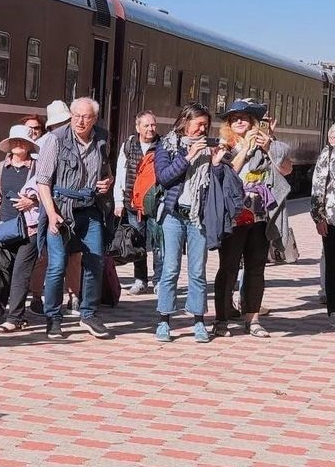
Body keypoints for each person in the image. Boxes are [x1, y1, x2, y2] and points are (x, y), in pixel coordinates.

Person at [35, 97, 114, 340]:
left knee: (94, 261)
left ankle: (88, 314)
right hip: (60, 208)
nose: (80, 121)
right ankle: (53, 318)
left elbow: (106, 169)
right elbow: (43, 182)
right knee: (57, 265)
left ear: (95, 119)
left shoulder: (102, 138)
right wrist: (51, 214)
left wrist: (108, 181)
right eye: (76, 115)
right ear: (70, 115)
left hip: (90, 208)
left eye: (86, 117)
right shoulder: (55, 139)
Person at [152, 103, 226, 343]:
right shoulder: (167, 145)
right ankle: (164, 320)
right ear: (185, 122)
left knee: (197, 271)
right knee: (170, 269)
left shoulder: (210, 147)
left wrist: (216, 165)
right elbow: (164, 177)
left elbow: (218, 185)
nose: (202, 129)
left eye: (206, 125)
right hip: (173, 215)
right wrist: (189, 156)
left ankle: (198, 321)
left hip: (199, 216)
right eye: (198, 124)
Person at [213, 100, 287, 338]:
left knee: (256, 268)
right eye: (235, 118)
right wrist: (244, 149)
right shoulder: (223, 146)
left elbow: (286, 169)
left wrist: (269, 148)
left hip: (259, 215)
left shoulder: (265, 145)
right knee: (228, 268)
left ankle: (252, 319)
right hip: (234, 216)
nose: (240, 121)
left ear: (253, 122)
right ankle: (222, 319)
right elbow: (229, 172)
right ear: (229, 124)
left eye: (244, 117)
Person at [0, 125, 40, 332]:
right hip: (6, 227)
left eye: (23, 141)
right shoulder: (0, 167)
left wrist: (32, 202)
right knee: (6, 272)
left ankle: (13, 318)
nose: (18, 144)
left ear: (29, 145)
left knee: (20, 272)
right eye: (14, 141)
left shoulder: (37, 167)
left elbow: (48, 193)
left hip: (30, 228)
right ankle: (19, 316)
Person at [28, 101, 81, 316]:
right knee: (46, 256)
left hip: (73, 205)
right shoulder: (45, 144)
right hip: (48, 204)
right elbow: (39, 180)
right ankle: (38, 297)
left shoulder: (79, 141)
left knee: (74, 255)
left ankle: (73, 296)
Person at [113, 110, 163, 295]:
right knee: (137, 243)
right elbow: (120, 173)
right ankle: (140, 280)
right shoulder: (128, 145)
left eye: (153, 125)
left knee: (158, 243)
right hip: (133, 204)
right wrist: (118, 201)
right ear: (137, 127)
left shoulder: (162, 146)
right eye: (146, 125)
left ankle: (158, 280)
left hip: (156, 204)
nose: (151, 129)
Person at [312, 122, 335, 328]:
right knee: (333, 264)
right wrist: (319, 217)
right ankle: (334, 310)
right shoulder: (327, 156)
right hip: (331, 217)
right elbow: (318, 187)